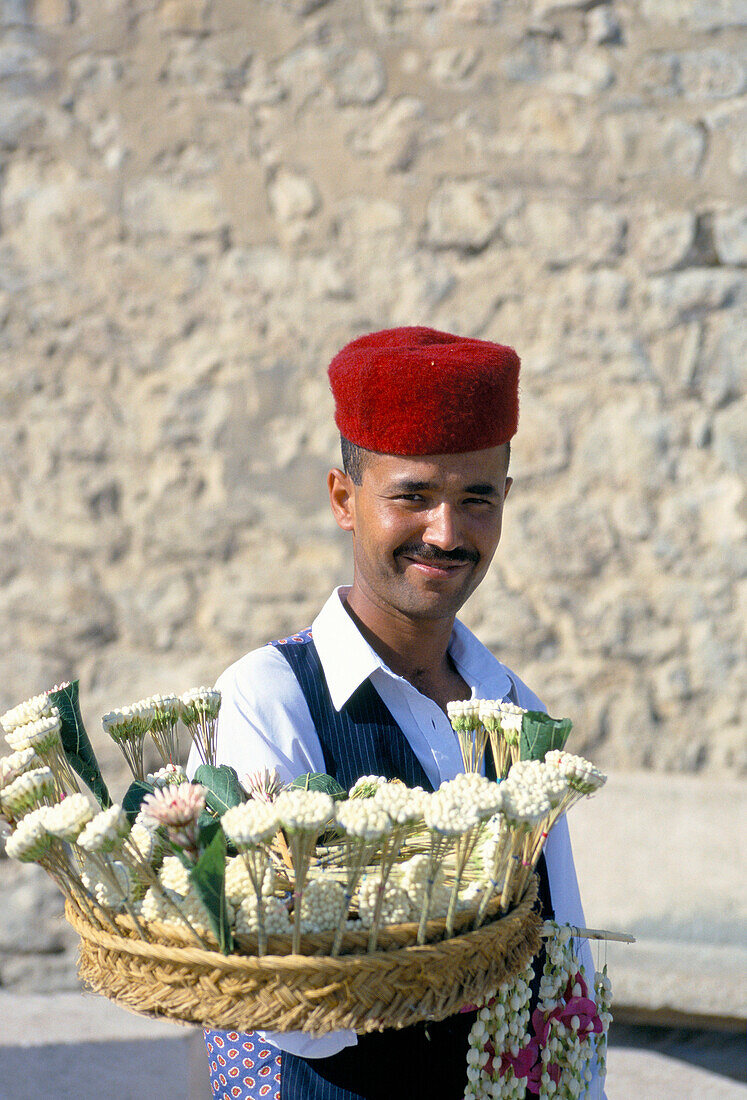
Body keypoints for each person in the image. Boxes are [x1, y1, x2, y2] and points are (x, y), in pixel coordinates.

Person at [191, 326, 601, 1100]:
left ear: (505, 500)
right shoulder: (271, 697)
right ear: (345, 501)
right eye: (412, 496)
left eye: (474, 498)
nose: (445, 533)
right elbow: (266, 988)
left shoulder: (514, 711)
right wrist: (445, 969)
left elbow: (564, 967)